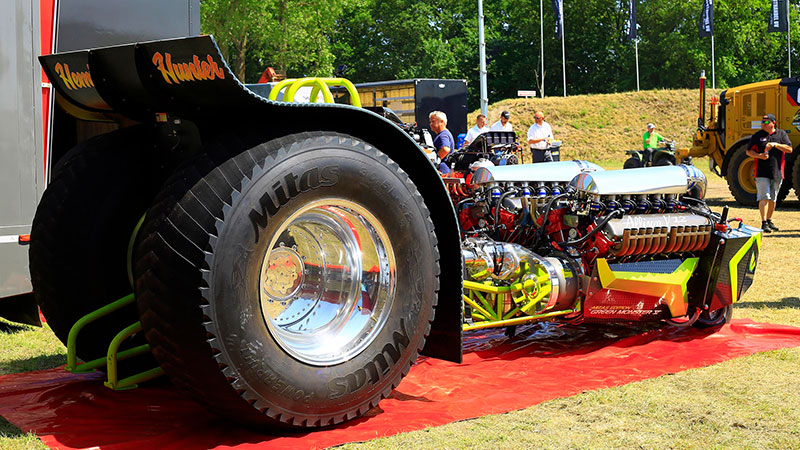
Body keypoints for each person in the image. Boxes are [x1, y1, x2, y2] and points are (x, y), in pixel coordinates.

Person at [745, 113, 793, 232]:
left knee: (773, 198)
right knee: (764, 197)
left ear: (773, 123)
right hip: (761, 172)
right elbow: (748, 152)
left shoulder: (781, 134)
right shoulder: (757, 136)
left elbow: (790, 149)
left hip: (777, 171)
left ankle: (769, 220)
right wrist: (759, 156)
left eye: (766, 122)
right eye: (762, 121)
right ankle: (763, 222)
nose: (763, 123)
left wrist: (776, 145)